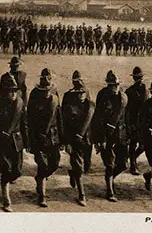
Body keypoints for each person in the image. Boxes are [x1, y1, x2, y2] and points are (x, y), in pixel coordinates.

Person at [0, 74, 28, 212]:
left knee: (17, 171)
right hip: (2, 142)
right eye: (10, 90)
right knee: (6, 169)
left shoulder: (20, 104)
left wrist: (27, 143)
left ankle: (6, 182)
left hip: (17, 141)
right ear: (5, 91)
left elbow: (24, 125)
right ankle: (6, 200)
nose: (13, 93)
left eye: (15, 90)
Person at [27, 72, 64, 208]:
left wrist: (62, 138)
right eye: (44, 90)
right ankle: (41, 195)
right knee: (42, 165)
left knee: (54, 163)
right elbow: (29, 118)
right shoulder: (34, 94)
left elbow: (59, 115)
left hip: (53, 136)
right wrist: (30, 140)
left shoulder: (55, 94)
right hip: (38, 136)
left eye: (48, 90)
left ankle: (40, 178)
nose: (47, 93)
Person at [91, 70, 129, 202]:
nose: (115, 87)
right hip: (107, 136)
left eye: (117, 85)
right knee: (109, 164)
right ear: (108, 85)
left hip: (121, 135)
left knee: (123, 164)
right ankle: (109, 190)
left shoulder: (123, 97)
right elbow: (98, 118)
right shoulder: (102, 95)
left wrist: (128, 134)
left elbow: (126, 117)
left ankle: (111, 178)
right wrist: (99, 140)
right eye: (113, 85)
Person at [62, 70, 95, 206]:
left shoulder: (90, 105)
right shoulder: (69, 102)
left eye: (83, 92)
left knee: (86, 166)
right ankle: (82, 195)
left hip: (87, 140)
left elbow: (94, 122)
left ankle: (73, 173)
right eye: (79, 92)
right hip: (74, 140)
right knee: (79, 167)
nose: (81, 95)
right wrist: (67, 142)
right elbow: (64, 123)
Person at [125, 66, 149, 175]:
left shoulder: (146, 91)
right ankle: (133, 166)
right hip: (134, 122)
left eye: (140, 77)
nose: (139, 79)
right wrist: (129, 124)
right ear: (134, 78)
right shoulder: (129, 91)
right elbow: (127, 110)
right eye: (137, 77)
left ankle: (132, 157)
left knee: (143, 145)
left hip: (144, 122)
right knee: (133, 144)